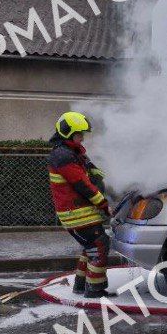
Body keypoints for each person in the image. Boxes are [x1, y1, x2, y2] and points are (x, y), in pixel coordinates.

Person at [47, 111, 112, 298]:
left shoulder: (70, 153)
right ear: (68, 133)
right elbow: (83, 185)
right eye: (79, 134)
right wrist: (104, 204)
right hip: (76, 213)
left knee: (90, 247)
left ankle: (80, 285)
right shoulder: (64, 157)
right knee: (99, 245)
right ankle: (95, 290)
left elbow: (90, 173)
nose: (82, 138)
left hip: (77, 211)